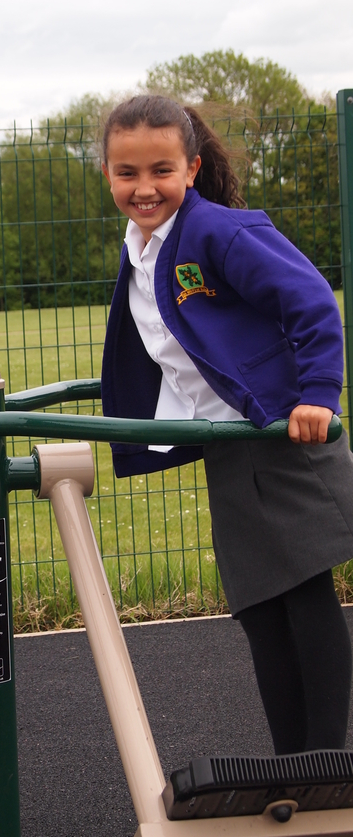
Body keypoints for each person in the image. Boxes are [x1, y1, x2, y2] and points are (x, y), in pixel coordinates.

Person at [99, 95, 353, 755]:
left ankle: (325, 760)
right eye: (127, 173)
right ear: (107, 174)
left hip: (285, 434)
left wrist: (319, 396)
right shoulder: (141, 250)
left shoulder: (219, 233)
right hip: (232, 447)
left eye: (161, 169)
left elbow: (311, 304)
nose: (144, 187)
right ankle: (292, 762)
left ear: (191, 168)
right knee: (260, 611)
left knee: (303, 595)